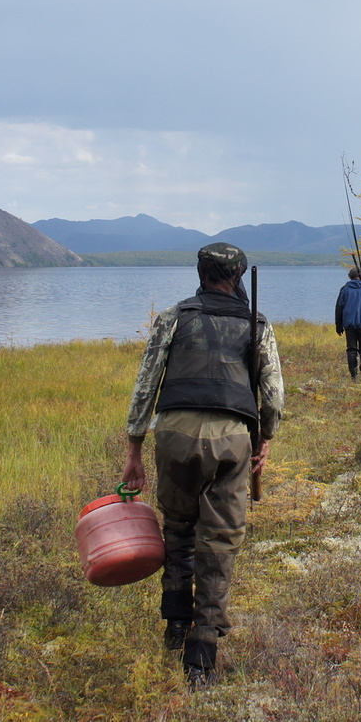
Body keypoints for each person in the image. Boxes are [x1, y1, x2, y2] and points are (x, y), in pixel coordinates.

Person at [119, 242, 284, 687]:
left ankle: (175, 624)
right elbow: (273, 394)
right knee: (219, 541)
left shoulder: (173, 317)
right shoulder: (257, 324)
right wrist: (265, 438)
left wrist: (135, 448)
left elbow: (146, 384)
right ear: (238, 276)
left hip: (172, 433)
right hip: (232, 440)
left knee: (177, 528)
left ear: (202, 272)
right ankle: (201, 652)